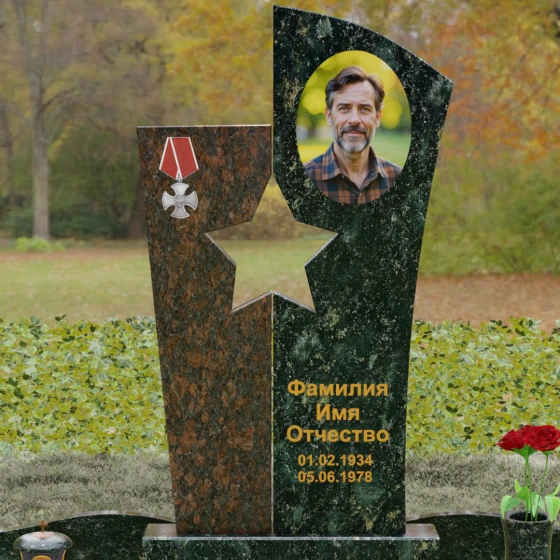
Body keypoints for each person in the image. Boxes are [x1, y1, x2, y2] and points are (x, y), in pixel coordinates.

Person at [304, 66, 401, 205]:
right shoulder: (302, 180)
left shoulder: (399, 179)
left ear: (378, 118)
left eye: (364, 109)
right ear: (329, 116)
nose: (354, 119)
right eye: (344, 108)